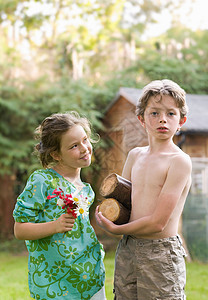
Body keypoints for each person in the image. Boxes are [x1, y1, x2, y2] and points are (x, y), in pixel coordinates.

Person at [95, 79, 192, 300]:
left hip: (160, 253)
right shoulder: (135, 155)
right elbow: (123, 203)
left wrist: (117, 230)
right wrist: (108, 213)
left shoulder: (179, 161)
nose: (162, 120)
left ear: (181, 121)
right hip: (129, 248)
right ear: (141, 119)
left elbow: (159, 223)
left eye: (170, 114)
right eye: (154, 113)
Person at [13, 111, 106, 300]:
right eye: (74, 146)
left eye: (85, 140)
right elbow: (20, 230)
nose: (84, 148)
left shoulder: (86, 190)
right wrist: (54, 226)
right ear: (56, 154)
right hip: (54, 282)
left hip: (89, 271)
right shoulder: (42, 181)